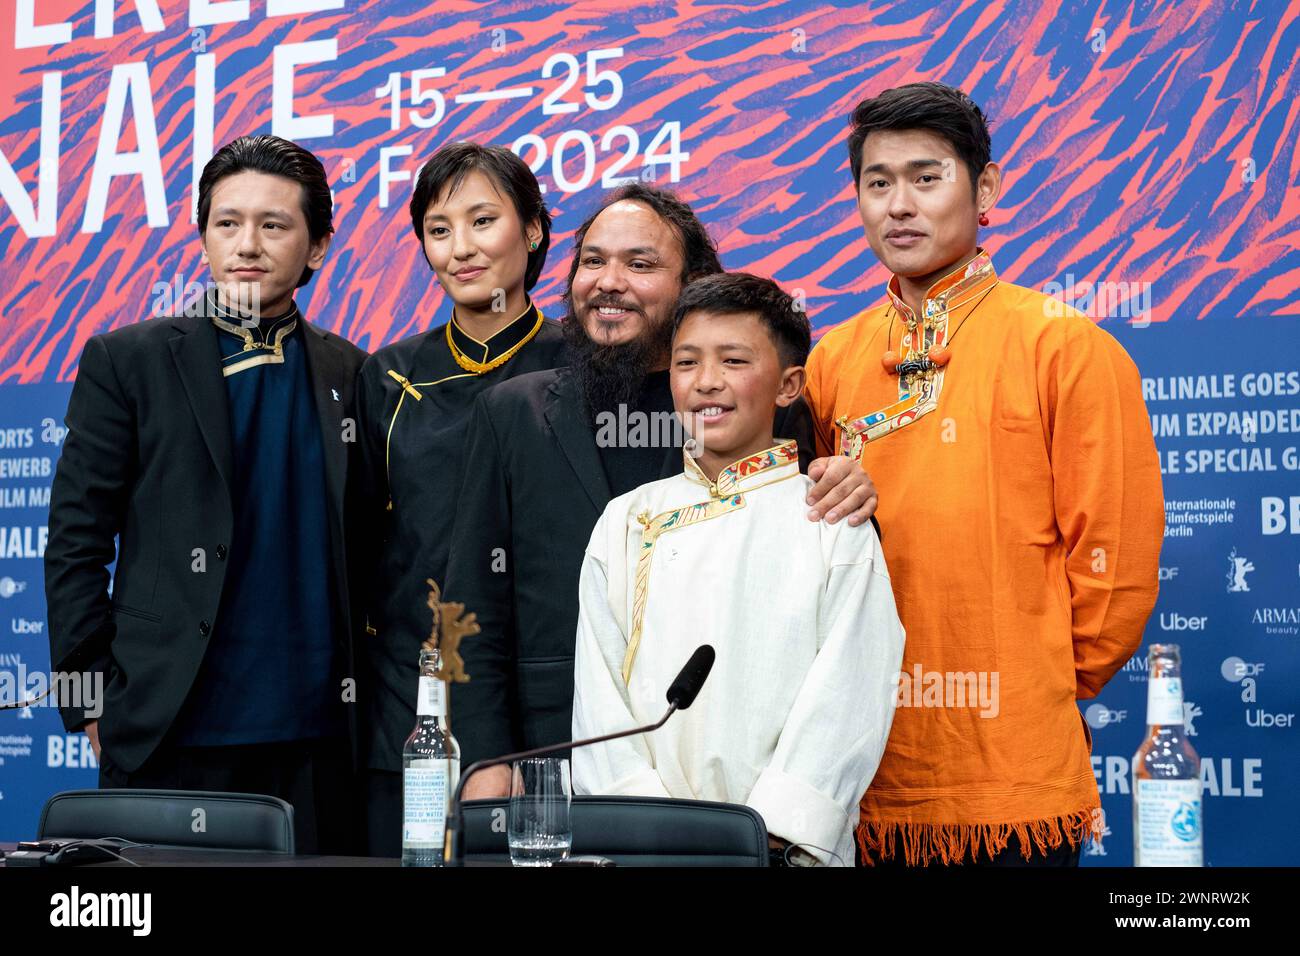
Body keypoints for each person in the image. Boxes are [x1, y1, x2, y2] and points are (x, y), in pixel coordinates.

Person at [804, 82, 1164, 866]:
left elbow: (1117, 563)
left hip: (1012, 776)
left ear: (987, 187)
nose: (899, 204)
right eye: (877, 182)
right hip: (857, 769)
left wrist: (1031, 682)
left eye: (926, 177)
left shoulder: (1063, 345)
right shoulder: (833, 359)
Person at [444, 184, 882, 799]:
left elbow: (806, 553)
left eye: (640, 264)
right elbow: (469, 605)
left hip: (723, 761)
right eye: (592, 261)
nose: (608, 281)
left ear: (694, 283)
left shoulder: (751, 408)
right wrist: (483, 757)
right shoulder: (512, 412)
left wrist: (849, 483)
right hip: (544, 757)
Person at [44, 134, 367, 853]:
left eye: (274, 224)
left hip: (316, 737)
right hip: (165, 725)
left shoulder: (353, 371)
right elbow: (74, 540)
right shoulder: (127, 361)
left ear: (317, 247)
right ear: (203, 238)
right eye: (227, 223)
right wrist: (87, 705)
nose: (246, 244)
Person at [571, 272, 905, 867]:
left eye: (733, 360)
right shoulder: (626, 522)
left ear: (788, 385)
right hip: (649, 854)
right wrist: (653, 835)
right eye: (686, 362)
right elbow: (599, 700)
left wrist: (767, 836)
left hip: (780, 853)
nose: (706, 383)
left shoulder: (830, 518)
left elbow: (852, 688)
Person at [350, 142, 566, 856]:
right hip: (410, 707)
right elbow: (364, 551)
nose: (460, 249)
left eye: (483, 221)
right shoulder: (388, 377)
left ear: (534, 229)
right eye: (439, 230)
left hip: (554, 710)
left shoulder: (585, 364)